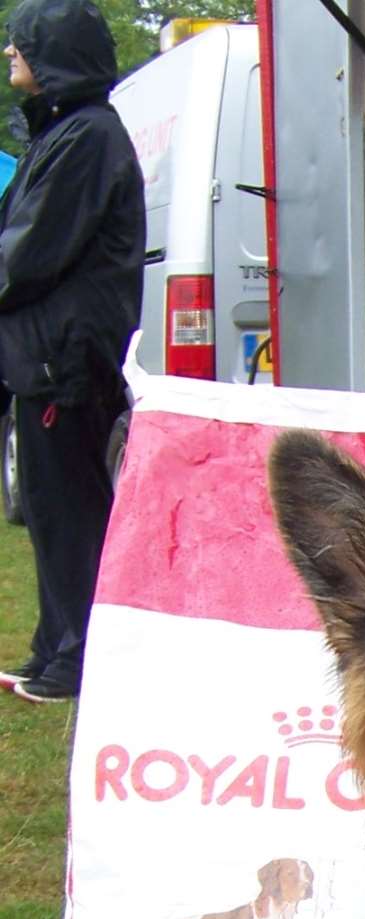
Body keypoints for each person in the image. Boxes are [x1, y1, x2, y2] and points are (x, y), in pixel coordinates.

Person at [0, 0, 144, 703]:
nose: (9, 57)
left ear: (51, 55)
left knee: (71, 514)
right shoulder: (65, 134)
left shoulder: (86, 139)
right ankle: (52, 650)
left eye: (18, 46)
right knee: (49, 510)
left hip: (68, 363)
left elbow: (27, 253)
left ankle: (78, 660)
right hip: (47, 359)